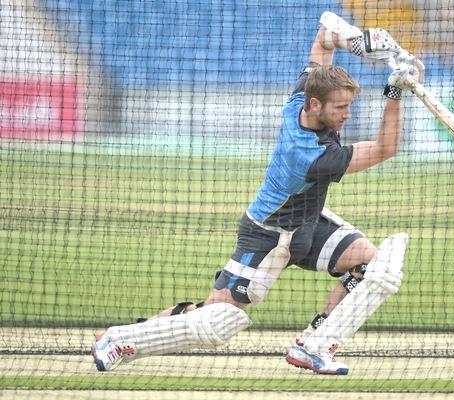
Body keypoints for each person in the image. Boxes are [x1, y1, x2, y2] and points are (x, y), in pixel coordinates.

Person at [91, 11, 423, 375]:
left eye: (349, 106)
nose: (346, 114)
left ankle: (314, 346)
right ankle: (121, 339)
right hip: (267, 235)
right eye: (341, 107)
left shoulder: (302, 96)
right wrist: (394, 91)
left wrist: (358, 43)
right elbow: (385, 148)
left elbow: (323, 38)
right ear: (317, 105)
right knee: (215, 320)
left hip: (307, 224)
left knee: (377, 267)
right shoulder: (312, 156)